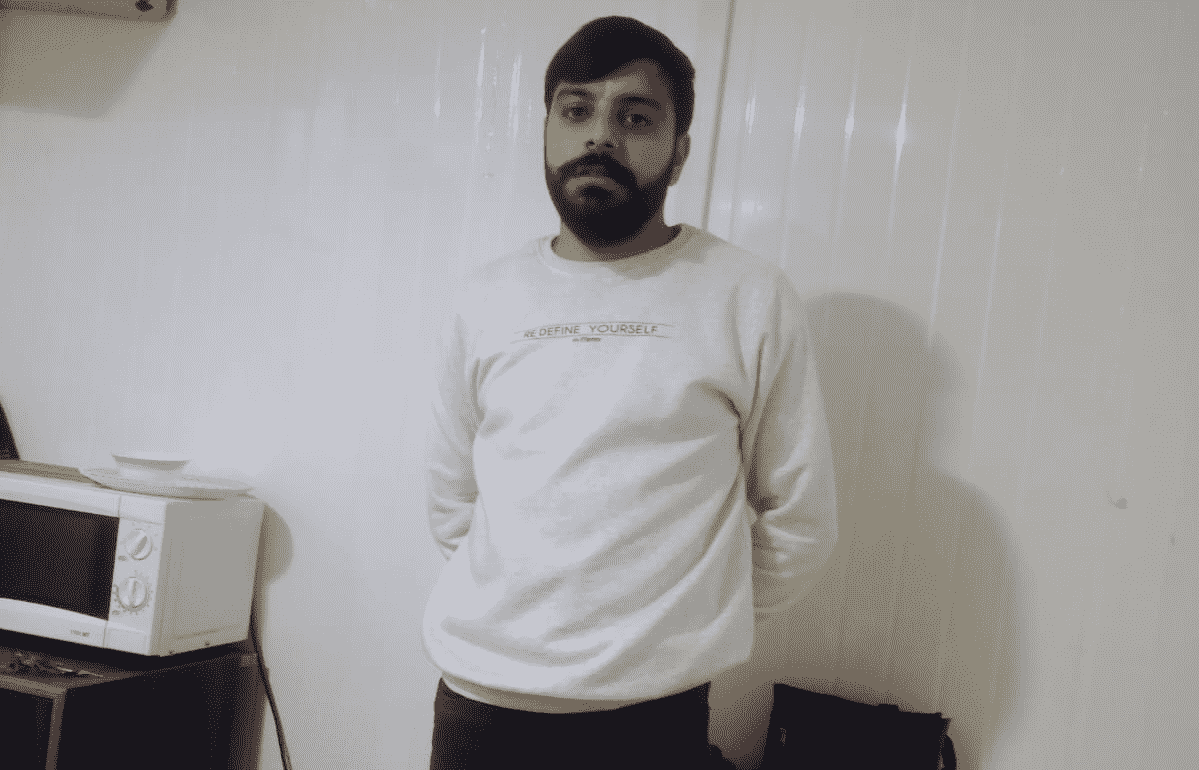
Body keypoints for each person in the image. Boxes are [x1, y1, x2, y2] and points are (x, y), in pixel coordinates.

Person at [423, 16, 837, 770]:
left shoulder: (747, 296)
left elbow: (799, 517)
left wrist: (685, 630)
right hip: (477, 704)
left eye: (635, 117)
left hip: (651, 718)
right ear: (546, 130)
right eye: (575, 110)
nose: (599, 137)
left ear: (679, 152)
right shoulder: (484, 299)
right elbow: (452, 501)